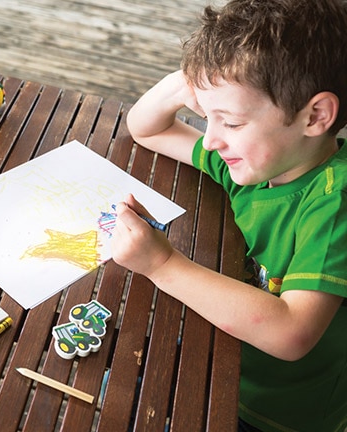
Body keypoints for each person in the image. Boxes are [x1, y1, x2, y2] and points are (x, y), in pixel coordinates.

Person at [111, 1, 347, 431]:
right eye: (205, 116)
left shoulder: (335, 204)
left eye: (231, 122)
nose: (212, 139)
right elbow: (147, 129)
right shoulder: (255, 165)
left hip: (278, 412)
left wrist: (162, 264)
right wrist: (186, 85)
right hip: (219, 352)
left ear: (314, 116)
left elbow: (291, 333)